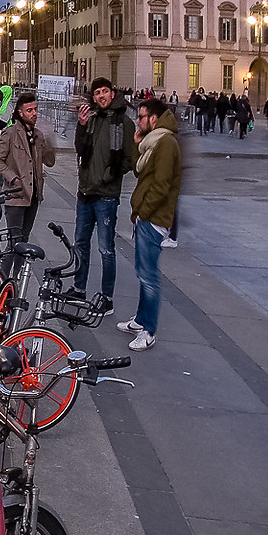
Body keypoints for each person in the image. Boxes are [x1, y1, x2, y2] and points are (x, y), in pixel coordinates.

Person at [119, 97, 179, 352]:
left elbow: (162, 185)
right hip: (146, 217)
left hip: (153, 219)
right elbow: (138, 170)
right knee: (143, 273)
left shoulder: (165, 143)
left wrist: (144, 212)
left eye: (141, 117)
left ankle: (149, 330)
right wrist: (135, 145)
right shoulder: (152, 143)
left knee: (149, 276)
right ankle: (140, 319)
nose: (138, 121)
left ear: (154, 119)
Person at [72, 79, 136, 310]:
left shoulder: (124, 122)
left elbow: (129, 160)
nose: (101, 96)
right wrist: (80, 124)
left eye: (105, 91)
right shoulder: (91, 119)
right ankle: (78, 288)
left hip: (106, 195)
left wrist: (108, 176)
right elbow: (80, 149)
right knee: (80, 243)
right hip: (85, 192)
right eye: (97, 93)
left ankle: (106, 298)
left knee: (106, 248)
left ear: (113, 92)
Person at [0, 89, 55, 252]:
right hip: (16, 195)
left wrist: (48, 139)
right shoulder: (10, 133)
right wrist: (14, 179)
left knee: (23, 243)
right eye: (29, 110)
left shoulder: (38, 135)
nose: (34, 113)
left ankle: (17, 278)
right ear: (20, 112)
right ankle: (4, 276)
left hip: (33, 196)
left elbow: (50, 162)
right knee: (14, 244)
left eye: (35, 109)